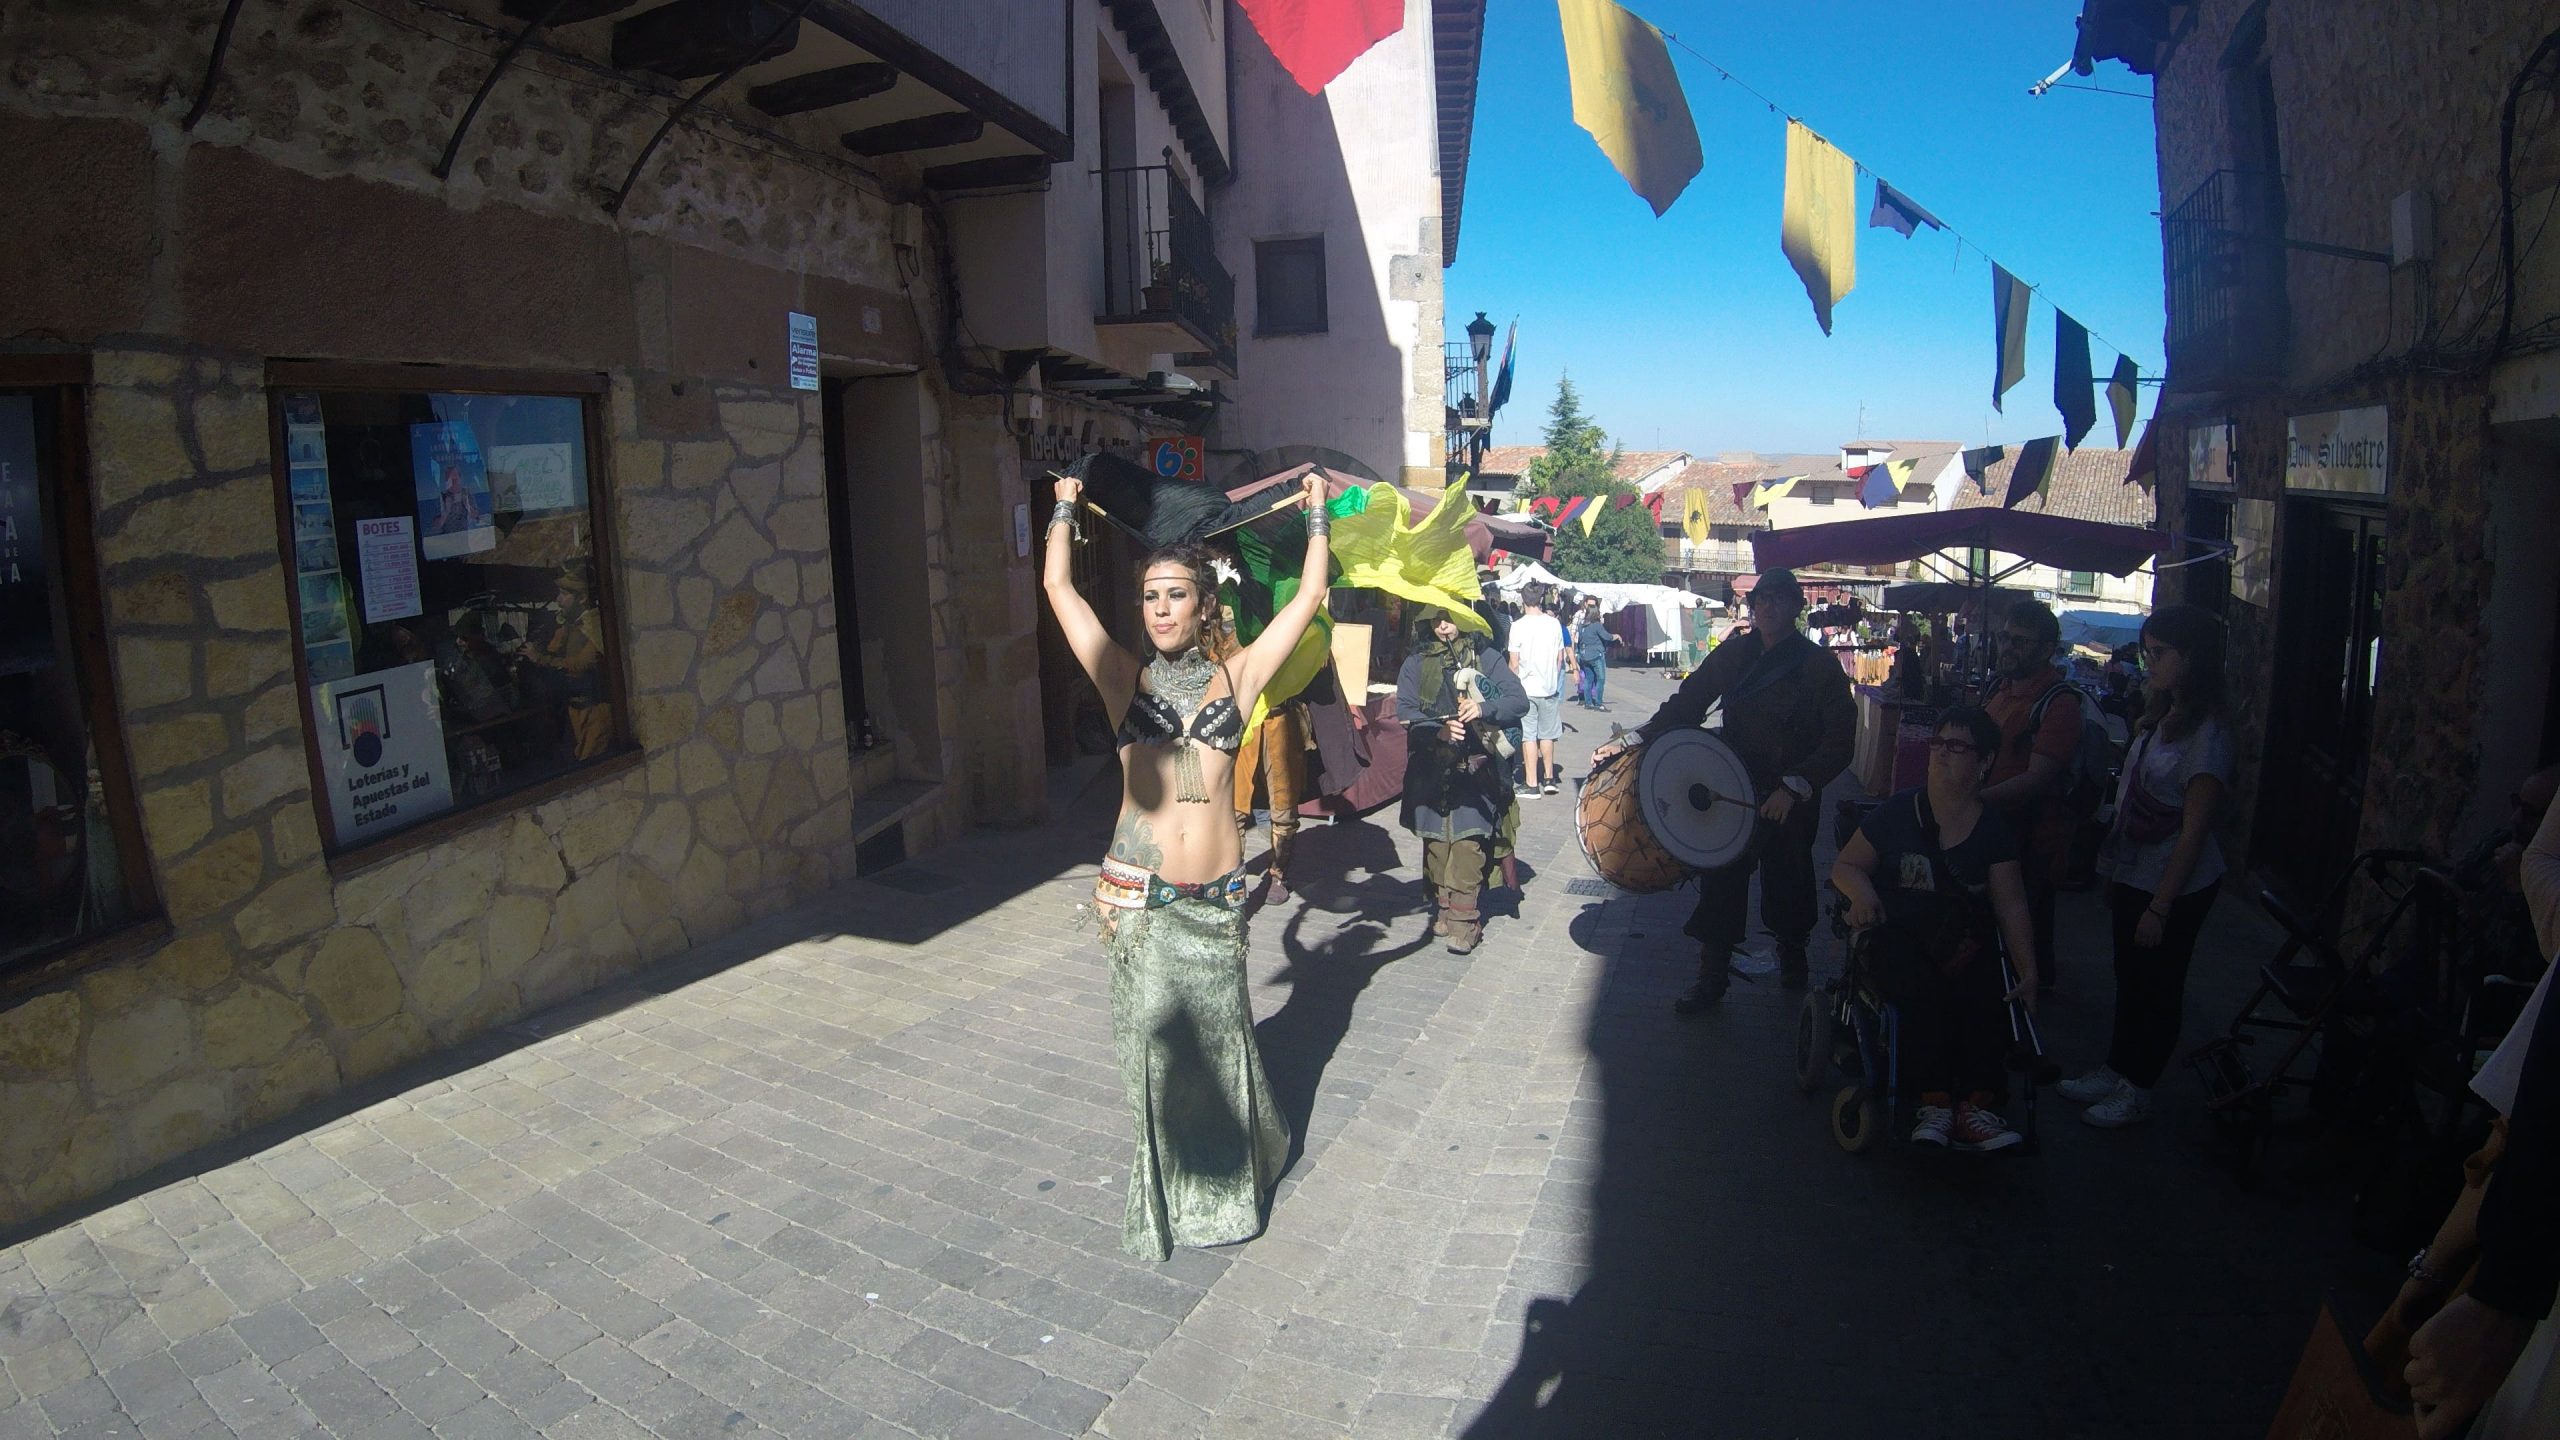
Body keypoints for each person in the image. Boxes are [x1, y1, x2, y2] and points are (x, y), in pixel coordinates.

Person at [1039, 469, 1329, 1262]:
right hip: (1142, 901)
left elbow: (1308, 599)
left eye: (1175, 596)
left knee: (1226, 1045)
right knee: (1162, 1061)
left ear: (1205, 606)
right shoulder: (1120, 680)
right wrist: (1063, 508)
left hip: (1217, 906)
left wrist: (1316, 518)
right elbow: (1059, 589)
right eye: (1149, 597)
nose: (1161, 610)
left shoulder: (1240, 678)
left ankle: (1229, 1190)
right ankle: (1171, 1197)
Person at [1592, 569, 1856, 1004]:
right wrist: (1632, 740)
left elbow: (1841, 741)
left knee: (1789, 877)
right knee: (1721, 877)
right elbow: (1688, 704)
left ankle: (1793, 952)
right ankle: (1712, 975)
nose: (1767, 606)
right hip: (1732, 785)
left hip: (1791, 793)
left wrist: (1795, 786)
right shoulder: (1735, 654)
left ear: (1796, 606)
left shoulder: (1819, 665)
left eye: (1778, 598)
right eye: (1761, 598)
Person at [1832, 707, 2040, 1151]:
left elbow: (2011, 905)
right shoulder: (1897, 812)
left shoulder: (1992, 831)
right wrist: (1863, 894)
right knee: (1918, 986)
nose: (1942, 753)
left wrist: (2028, 973)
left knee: (1988, 987)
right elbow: (1846, 866)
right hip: (1895, 935)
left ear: (1984, 761)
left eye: (1957, 746)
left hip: (1959, 940)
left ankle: (1978, 1105)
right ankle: (1934, 1102)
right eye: (1938, 743)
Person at [2059, 605, 2234, 1128]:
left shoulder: (2209, 735)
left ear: (2192, 659)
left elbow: (2194, 831)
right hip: (2136, 869)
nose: (2148, 662)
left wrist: (2160, 906)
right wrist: (2116, 872)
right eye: (2147, 651)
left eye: (2159, 653)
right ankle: (2118, 1066)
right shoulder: (2162, 718)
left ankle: (2139, 1086)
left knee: (2158, 984)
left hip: (2175, 882)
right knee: (2130, 977)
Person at [1397, 608, 1528, 954]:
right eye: (1435, 619)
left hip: (1477, 772)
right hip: (1431, 768)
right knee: (1437, 845)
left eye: (1450, 617)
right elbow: (1406, 711)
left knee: (1469, 844)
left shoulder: (1487, 657)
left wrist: (1483, 709)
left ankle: (1464, 923)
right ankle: (1444, 910)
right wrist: (1437, 731)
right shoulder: (1415, 662)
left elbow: (1518, 702)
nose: (1442, 625)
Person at [1978, 601, 2081, 994]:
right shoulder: (1998, 688)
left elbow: (2038, 778)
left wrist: (1976, 801)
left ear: (2047, 649)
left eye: (2020, 641)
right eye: (2004, 637)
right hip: (1994, 826)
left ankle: (2029, 1001)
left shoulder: (2059, 703)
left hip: (2031, 836)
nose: (2007, 647)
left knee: (2025, 927)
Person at [1233, 698, 1308, 904]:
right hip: (1241, 723)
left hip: (1280, 720)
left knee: (1284, 812)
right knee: (1233, 814)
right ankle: (1232, 882)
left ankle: (1278, 876)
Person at [1508, 585, 1569, 797]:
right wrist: (1553, 677)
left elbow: (1514, 663)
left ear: (1522, 600)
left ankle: (1532, 783)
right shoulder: (1554, 624)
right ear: (1541, 598)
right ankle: (1550, 779)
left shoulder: (1517, 626)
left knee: (1529, 737)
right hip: (1549, 688)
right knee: (1548, 735)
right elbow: (1560, 658)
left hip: (1526, 689)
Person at [1573, 596, 1611, 709]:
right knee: (1600, 679)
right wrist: (1616, 636)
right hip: (1596, 655)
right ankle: (1598, 703)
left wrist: (1578, 652)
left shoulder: (1582, 625)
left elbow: (1578, 639)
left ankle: (1588, 702)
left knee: (1588, 678)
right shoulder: (1596, 625)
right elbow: (1606, 636)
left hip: (1585, 655)